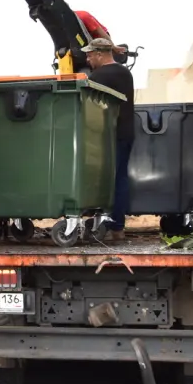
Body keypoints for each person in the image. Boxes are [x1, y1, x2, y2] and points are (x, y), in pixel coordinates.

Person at [82, 37, 135, 242]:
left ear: (99, 54)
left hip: (109, 137)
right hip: (125, 133)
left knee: (107, 180)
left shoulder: (102, 74)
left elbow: (88, 102)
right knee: (120, 177)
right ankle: (117, 228)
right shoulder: (123, 72)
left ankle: (110, 224)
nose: (87, 59)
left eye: (89, 55)